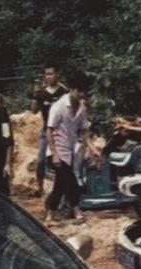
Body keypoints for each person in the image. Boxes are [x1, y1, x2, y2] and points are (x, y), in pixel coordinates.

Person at [45, 77, 89, 222]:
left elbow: (83, 129)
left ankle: (50, 212)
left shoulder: (82, 108)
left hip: (70, 151)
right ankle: (76, 209)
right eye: (80, 92)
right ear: (72, 90)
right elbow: (49, 130)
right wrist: (55, 154)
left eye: (84, 92)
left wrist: (84, 145)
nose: (82, 95)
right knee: (70, 179)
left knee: (61, 183)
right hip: (56, 150)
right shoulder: (59, 106)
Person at [31, 66, 66, 193]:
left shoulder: (64, 92)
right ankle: (39, 187)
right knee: (41, 160)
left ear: (58, 74)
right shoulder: (41, 92)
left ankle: (60, 188)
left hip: (61, 132)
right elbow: (33, 110)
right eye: (46, 74)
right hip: (46, 130)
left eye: (51, 74)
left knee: (60, 161)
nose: (48, 76)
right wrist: (35, 95)